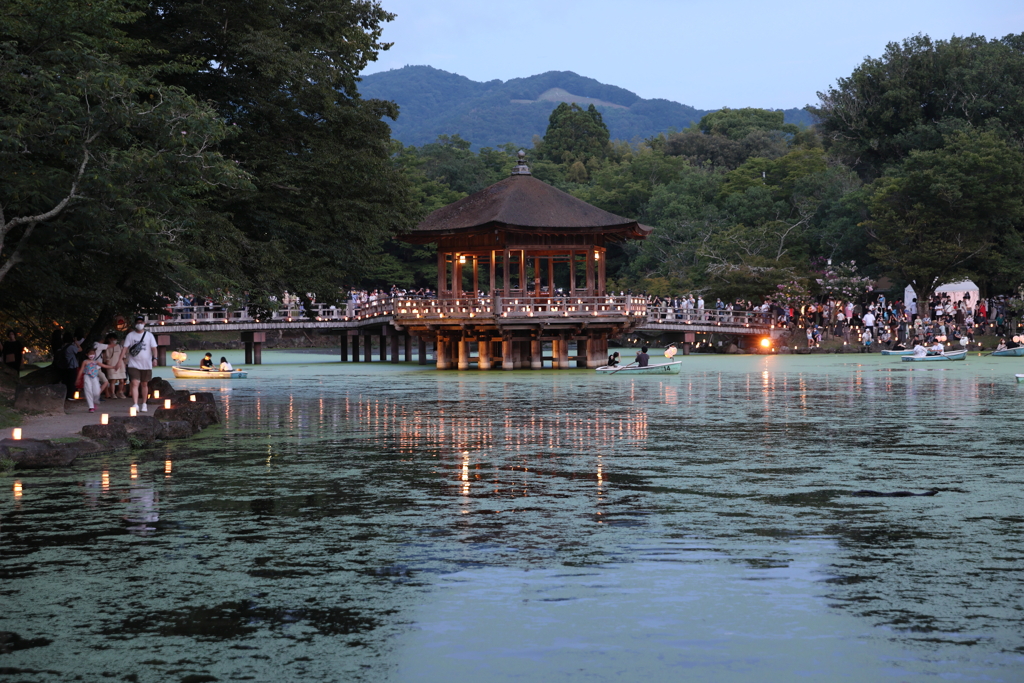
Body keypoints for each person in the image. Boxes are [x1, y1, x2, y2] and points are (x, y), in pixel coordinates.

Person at [120, 316, 158, 413]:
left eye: (141, 322)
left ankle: (144, 403)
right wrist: (120, 360)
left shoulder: (149, 335)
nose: (139, 324)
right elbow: (125, 348)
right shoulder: (130, 335)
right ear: (135, 324)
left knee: (144, 384)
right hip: (133, 363)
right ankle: (135, 404)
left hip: (146, 364)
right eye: (138, 322)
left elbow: (154, 348)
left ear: (144, 324)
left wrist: (155, 358)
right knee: (135, 383)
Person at [101, 333, 126, 399]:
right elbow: (105, 357)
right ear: (109, 339)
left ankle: (120, 392)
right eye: (113, 339)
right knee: (113, 380)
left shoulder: (119, 346)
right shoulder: (106, 347)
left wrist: (124, 364)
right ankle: (112, 393)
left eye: (115, 339)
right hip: (111, 365)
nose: (114, 340)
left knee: (122, 380)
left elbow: (123, 356)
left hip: (120, 364)